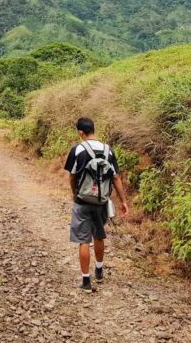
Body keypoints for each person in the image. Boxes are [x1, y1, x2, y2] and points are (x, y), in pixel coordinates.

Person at [64, 117, 129, 293]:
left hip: (82, 200)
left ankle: (86, 281)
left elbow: (72, 176)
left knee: (83, 240)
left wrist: (74, 193)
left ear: (81, 132)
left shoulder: (77, 149)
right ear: (93, 129)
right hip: (102, 201)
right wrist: (123, 201)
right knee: (99, 235)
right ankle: (99, 271)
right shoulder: (109, 150)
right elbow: (116, 177)